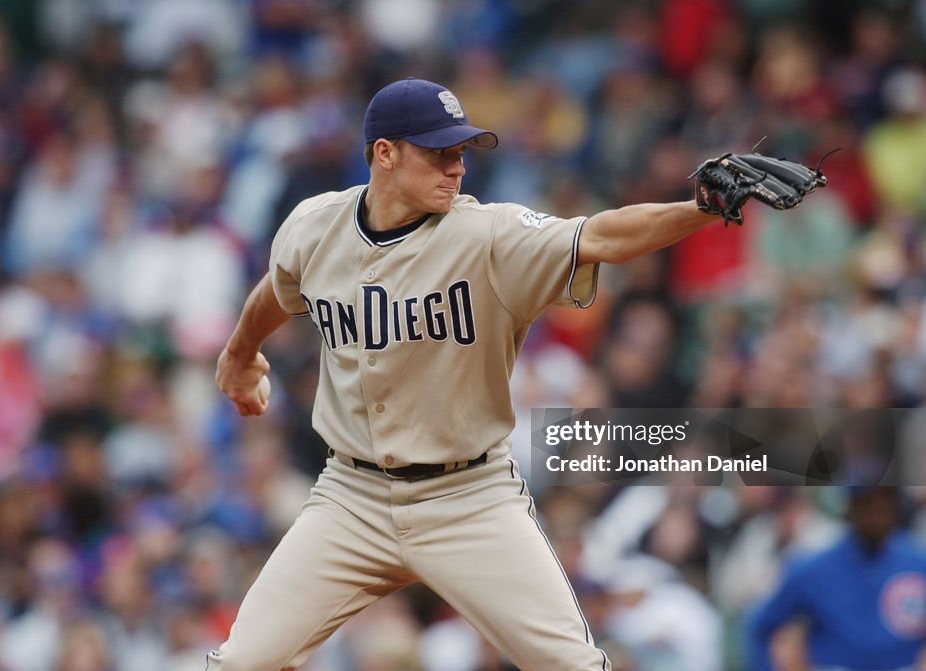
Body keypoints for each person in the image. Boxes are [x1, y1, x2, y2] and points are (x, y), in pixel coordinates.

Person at [211, 77, 723, 671]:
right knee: (239, 665)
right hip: (351, 498)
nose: (457, 169)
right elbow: (279, 288)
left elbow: (602, 235)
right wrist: (240, 353)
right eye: (439, 153)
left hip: (468, 499)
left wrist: (700, 210)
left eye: (460, 153)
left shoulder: (487, 234)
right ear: (385, 154)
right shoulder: (313, 226)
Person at [747, 487, 926, 671]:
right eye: (867, 504)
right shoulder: (814, 568)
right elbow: (761, 626)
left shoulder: (922, 564)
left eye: (883, 504)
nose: (876, 513)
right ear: (851, 507)